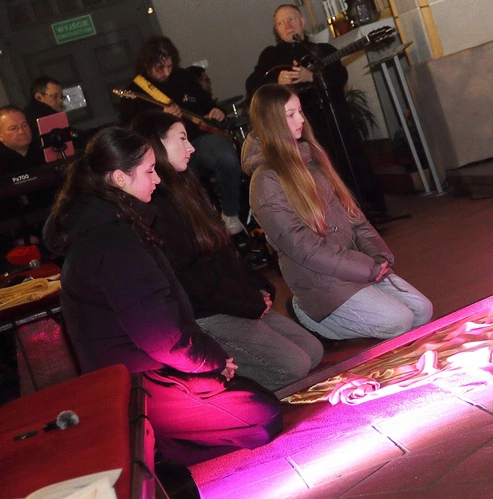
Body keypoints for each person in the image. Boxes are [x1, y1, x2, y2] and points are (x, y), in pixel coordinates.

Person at [42, 127, 282, 466]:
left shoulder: (112, 227)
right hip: (137, 384)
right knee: (262, 417)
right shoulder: (113, 244)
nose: (157, 179)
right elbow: (162, 338)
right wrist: (211, 362)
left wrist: (209, 362)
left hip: (148, 370)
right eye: (149, 171)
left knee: (254, 398)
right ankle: (159, 449)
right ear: (120, 178)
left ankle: (163, 440)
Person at [131, 112, 323, 391]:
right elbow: (194, 281)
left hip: (232, 299)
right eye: (182, 139)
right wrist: (247, 301)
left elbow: (223, 251)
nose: (191, 148)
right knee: (293, 366)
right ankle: (215, 379)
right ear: (157, 145)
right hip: (207, 313)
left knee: (313, 351)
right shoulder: (155, 205)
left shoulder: (186, 186)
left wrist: (256, 287)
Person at [247, 84, 432, 340]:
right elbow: (304, 248)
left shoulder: (311, 156)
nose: (301, 119)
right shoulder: (265, 180)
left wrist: (376, 256)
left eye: (300, 111)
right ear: (271, 122)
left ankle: (356, 304)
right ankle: (309, 316)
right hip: (319, 278)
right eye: (290, 115)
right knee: (400, 321)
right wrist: (366, 268)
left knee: (422, 311)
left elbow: (352, 214)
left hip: (352, 265)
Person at [245, 4, 388, 218]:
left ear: (302, 22)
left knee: (347, 148)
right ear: (277, 30)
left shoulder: (322, 50)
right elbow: (251, 86)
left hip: (329, 118)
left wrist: (313, 77)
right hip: (296, 128)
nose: (287, 25)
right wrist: (277, 79)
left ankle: (365, 206)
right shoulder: (270, 56)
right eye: (281, 23)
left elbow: (340, 77)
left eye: (291, 19)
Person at [118, 36, 246, 235]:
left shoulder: (183, 77)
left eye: (170, 66)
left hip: (199, 139)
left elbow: (207, 104)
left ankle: (231, 215)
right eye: (160, 68)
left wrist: (216, 111)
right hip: (167, 153)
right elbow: (130, 130)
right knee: (183, 186)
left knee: (227, 156)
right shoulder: (135, 91)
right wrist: (162, 117)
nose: (166, 72)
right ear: (147, 65)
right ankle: (203, 226)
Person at [0, 106, 44, 172]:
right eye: (13, 128)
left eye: (24, 125)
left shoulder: (43, 151)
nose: (22, 131)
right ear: (1, 136)